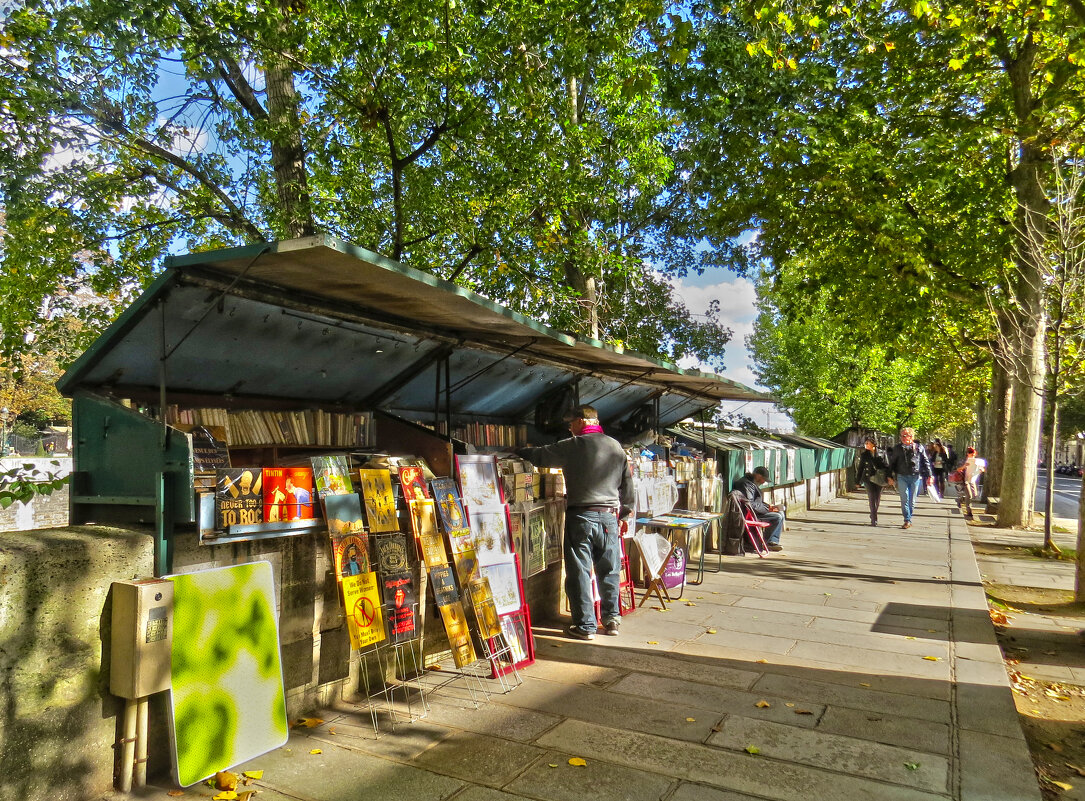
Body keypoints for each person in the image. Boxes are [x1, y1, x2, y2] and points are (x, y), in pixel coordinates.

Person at [518, 404, 634, 641]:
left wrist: (516, 450)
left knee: (579, 571)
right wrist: (625, 515)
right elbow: (628, 485)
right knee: (609, 569)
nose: (569, 428)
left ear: (581, 421)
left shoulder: (573, 446)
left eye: (571, 423)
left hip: (581, 516)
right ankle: (611, 620)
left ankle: (585, 626)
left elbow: (540, 455)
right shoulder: (615, 447)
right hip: (609, 517)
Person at [885, 427, 933, 529]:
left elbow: (925, 462)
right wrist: (889, 476)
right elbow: (892, 463)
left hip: (915, 476)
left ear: (911, 436)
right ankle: (907, 520)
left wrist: (930, 475)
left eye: (905, 435)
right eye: (902, 436)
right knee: (904, 498)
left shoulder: (919, 447)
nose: (903, 437)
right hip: (902, 476)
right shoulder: (897, 448)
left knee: (912, 500)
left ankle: (909, 518)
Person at [733, 466, 785, 550]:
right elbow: (751, 505)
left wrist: (768, 507)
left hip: (755, 511)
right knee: (777, 516)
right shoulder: (746, 484)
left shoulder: (750, 483)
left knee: (781, 513)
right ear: (757, 475)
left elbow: (755, 503)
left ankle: (773, 541)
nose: (763, 482)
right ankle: (767, 542)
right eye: (763, 479)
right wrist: (768, 509)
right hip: (750, 514)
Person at [855, 436, 890, 526]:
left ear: (873, 444)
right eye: (865, 443)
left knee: (877, 498)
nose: (866, 445)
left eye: (867, 443)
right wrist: (857, 481)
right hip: (868, 478)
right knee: (871, 497)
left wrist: (889, 477)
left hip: (879, 478)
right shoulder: (864, 455)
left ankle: (873, 513)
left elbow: (887, 466)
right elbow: (861, 468)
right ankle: (874, 518)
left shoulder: (882, 453)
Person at [959, 447, 986, 518]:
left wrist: (981, 469)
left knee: (975, 495)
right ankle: (969, 511)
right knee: (969, 496)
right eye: (971, 454)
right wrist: (963, 467)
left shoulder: (978, 461)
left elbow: (983, 469)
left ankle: (961, 498)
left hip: (972, 481)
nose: (971, 456)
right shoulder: (967, 461)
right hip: (966, 481)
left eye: (973, 454)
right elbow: (960, 468)